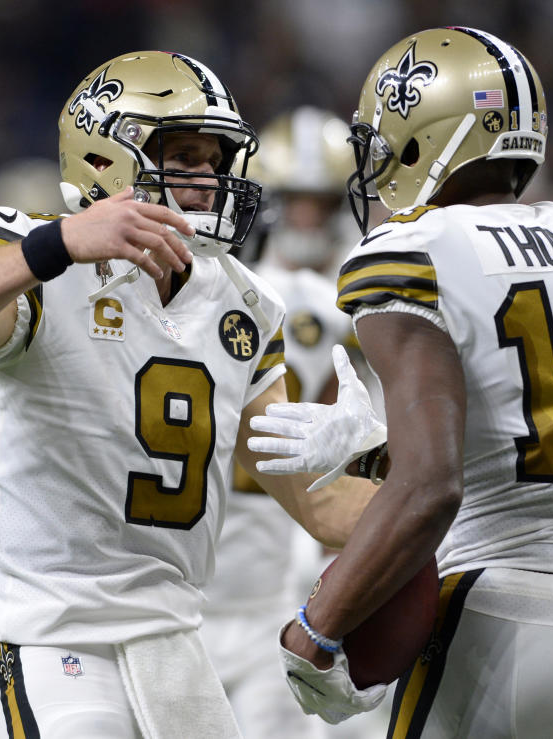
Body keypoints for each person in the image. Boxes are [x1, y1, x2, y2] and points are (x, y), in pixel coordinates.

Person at [0, 50, 375, 739]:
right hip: (55, 630)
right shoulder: (34, 256)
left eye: (214, 161)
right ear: (109, 159)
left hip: (174, 635)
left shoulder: (244, 301)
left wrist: (435, 488)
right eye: (186, 158)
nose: (208, 182)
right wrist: (55, 245)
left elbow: (318, 505)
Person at [249, 27, 553, 737]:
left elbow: (433, 485)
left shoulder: (416, 250)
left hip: (502, 613)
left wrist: (316, 631)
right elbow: (546, 423)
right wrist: (380, 447)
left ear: (424, 137)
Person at [199, 106, 363, 739]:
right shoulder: (327, 300)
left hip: (279, 558)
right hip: (260, 549)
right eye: (294, 201)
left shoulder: (219, 290)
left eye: (320, 203)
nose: (307, 219)